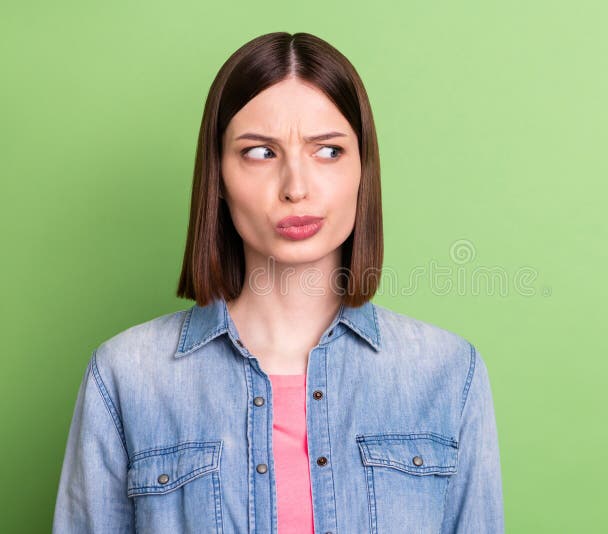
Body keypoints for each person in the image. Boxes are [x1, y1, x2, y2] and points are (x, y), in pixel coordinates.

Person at [53, 31, 504, 533]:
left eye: (328, 151)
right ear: (218, 179)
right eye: (260, 153)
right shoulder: (126, 376)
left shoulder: (447, 374)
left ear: (363, 171)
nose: (295, 187)